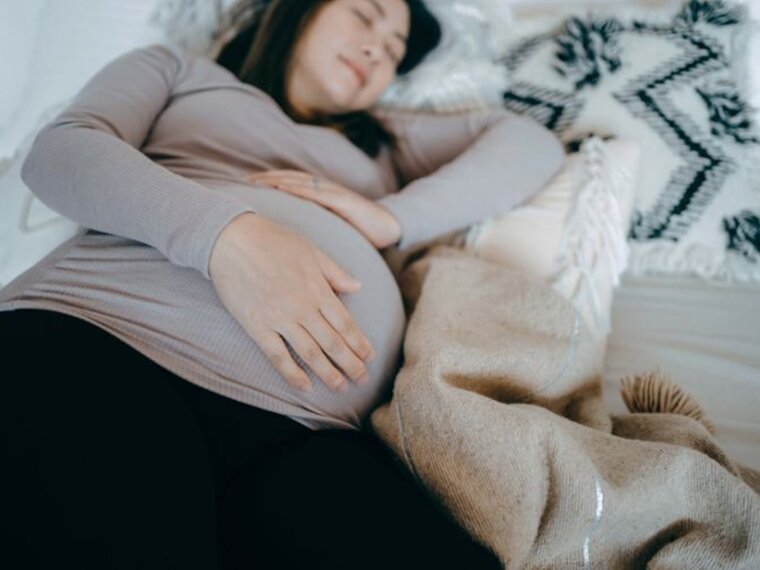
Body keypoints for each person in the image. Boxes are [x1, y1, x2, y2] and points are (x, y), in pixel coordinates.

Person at [0, 0, 566, 568]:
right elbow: (60, 152)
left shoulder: (385, 143)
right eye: (365, 16)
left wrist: (393, 218)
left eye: (395, 51)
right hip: (107, 342)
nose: (378, 49)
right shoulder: (181, 73)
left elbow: (529, 144)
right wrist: (227, 240)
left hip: (307, 435)